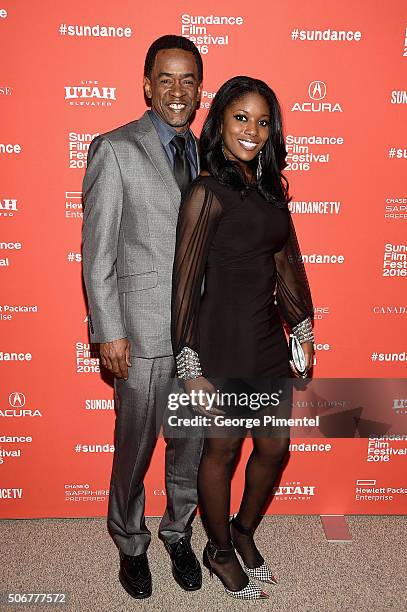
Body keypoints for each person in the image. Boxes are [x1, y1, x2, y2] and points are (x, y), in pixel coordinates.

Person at [171, 76, 315, 600]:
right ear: (220, 123)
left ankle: (243, 530)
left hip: (267, 336)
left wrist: (302, 326)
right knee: (224, 450)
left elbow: (286, 260)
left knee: (275, 447)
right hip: (221, 338)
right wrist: (190, 363)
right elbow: (184, 283)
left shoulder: (271, 186)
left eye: (261, 121)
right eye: (240, 118)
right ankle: (219, 551)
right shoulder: (206, 192)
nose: (251, 130)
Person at [82, 35, 204, 599]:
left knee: (191, 442)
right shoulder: (116, 148)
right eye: (167, 79)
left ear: (199, 90)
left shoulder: (211, 153)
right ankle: (130, 542)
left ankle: (177, 531)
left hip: (201, 336)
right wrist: (108, 330)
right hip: (142, 331)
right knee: (134, 448)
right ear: (148, 86)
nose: (177, 91)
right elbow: (98, 252)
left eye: (188, 80)